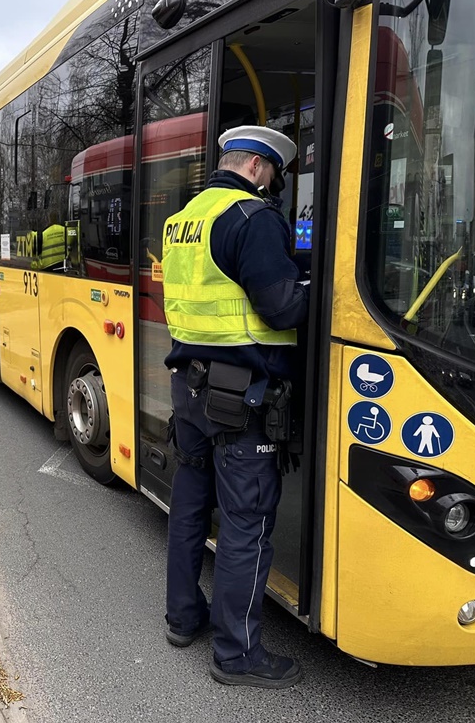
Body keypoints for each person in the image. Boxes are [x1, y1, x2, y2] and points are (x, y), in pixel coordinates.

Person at [161, 126, 309, 689]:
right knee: (247, 520)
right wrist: (309, 286)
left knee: (191, 504)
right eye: (271, 173)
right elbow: (280, 309)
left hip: (190, 388)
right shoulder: (253, 218)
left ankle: (183, 616)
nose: (272, 184)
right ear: (256, 168)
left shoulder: (184, 220)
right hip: (242, 395)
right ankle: (237, 654)